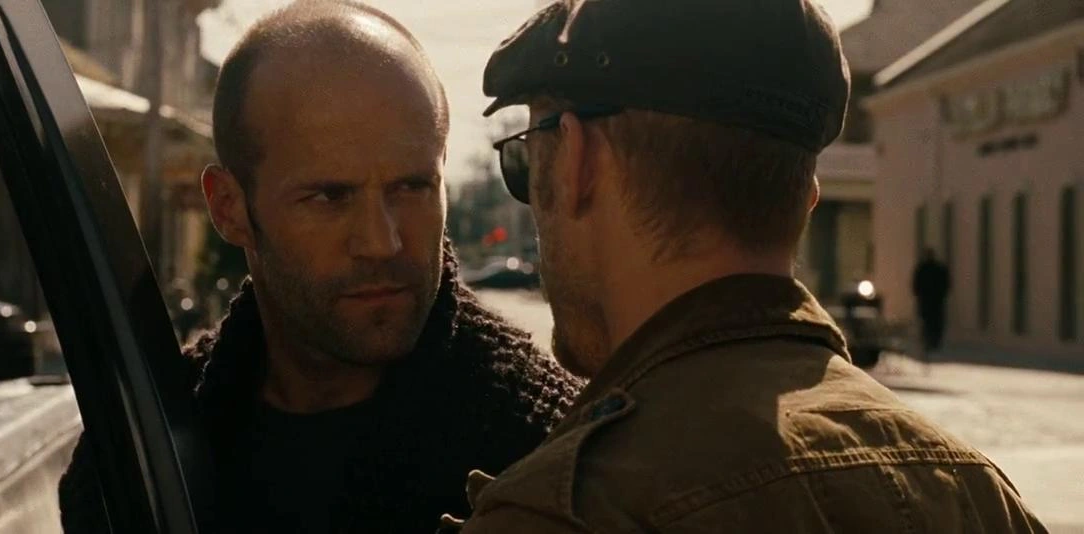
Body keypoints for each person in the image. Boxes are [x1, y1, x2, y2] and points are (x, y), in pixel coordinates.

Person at [448, 1, 1047, 532]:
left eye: (526, 163)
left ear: (576, 163)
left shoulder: (563, 512)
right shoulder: (976, 493)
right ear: (808, 197)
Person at [58, 2, 581, 532]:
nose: (382, 242)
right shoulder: (128, 466)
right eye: (330, 197)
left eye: (412, 187)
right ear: (229, 208)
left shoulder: (555, 454)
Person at [912, 248, 952, 356]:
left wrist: (918, 294)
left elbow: (916, 284)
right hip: (934, 299)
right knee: (934, 321)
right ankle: (933, 341)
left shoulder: (923, 268)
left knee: (928, 320)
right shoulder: (937, 268)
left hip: (929, 299)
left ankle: (930, 340)